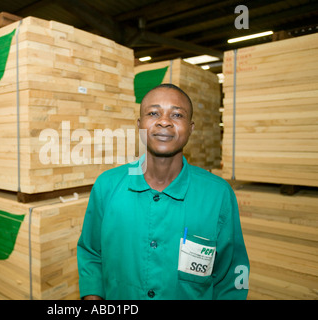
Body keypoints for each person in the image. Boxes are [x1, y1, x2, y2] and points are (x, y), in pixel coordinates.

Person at [77, 83, 249, 300]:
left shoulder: (218, 195)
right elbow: (91, 254)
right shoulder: (107, 186)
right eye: (153, 113)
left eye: (177, 114)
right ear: (139, 125)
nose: (165, 121)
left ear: (191, 127)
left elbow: (231, 276)